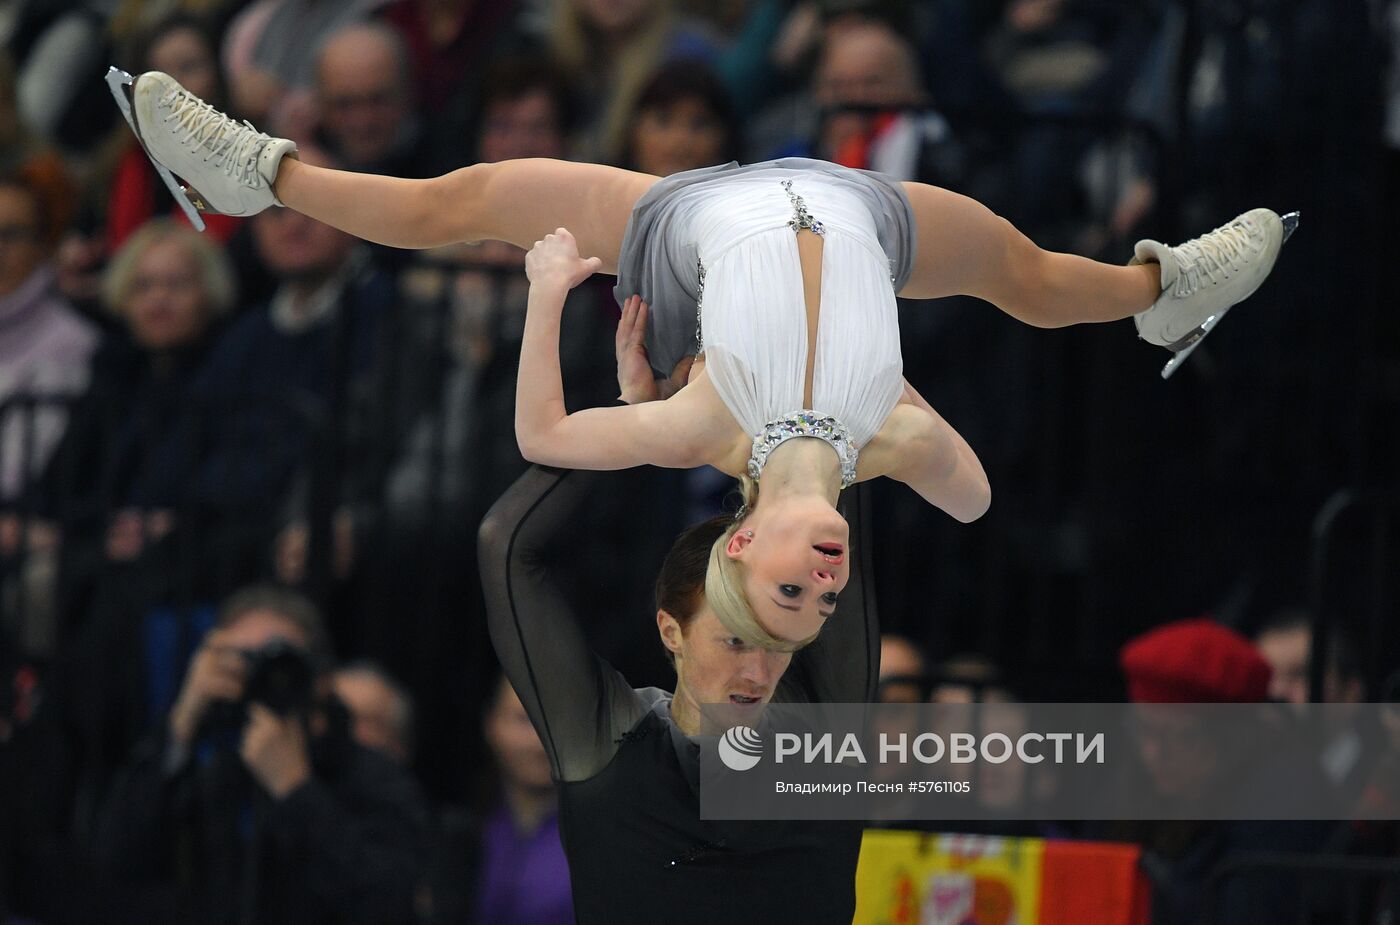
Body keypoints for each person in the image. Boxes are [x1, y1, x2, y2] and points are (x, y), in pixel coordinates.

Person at [121, 70, 1291, 649]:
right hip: (853, 208)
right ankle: (1162, 293)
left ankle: (256, 172)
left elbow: (541, 436)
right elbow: (978, 503)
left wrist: (542, 298)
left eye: (791, 587)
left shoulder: (699, 431)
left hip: (693, 225)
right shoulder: (895, 437)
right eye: (822, 600)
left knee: (468, 200)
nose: (825, 583)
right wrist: (890, 440)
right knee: (1032, 279)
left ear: (740, 541)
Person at [475, 459, 877, 924]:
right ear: (671, 631)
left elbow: (837, 496)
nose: (758, 672)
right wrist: (631, 418)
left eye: (775, 641)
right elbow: (503, 544)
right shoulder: (607, 742)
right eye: (734, 640)